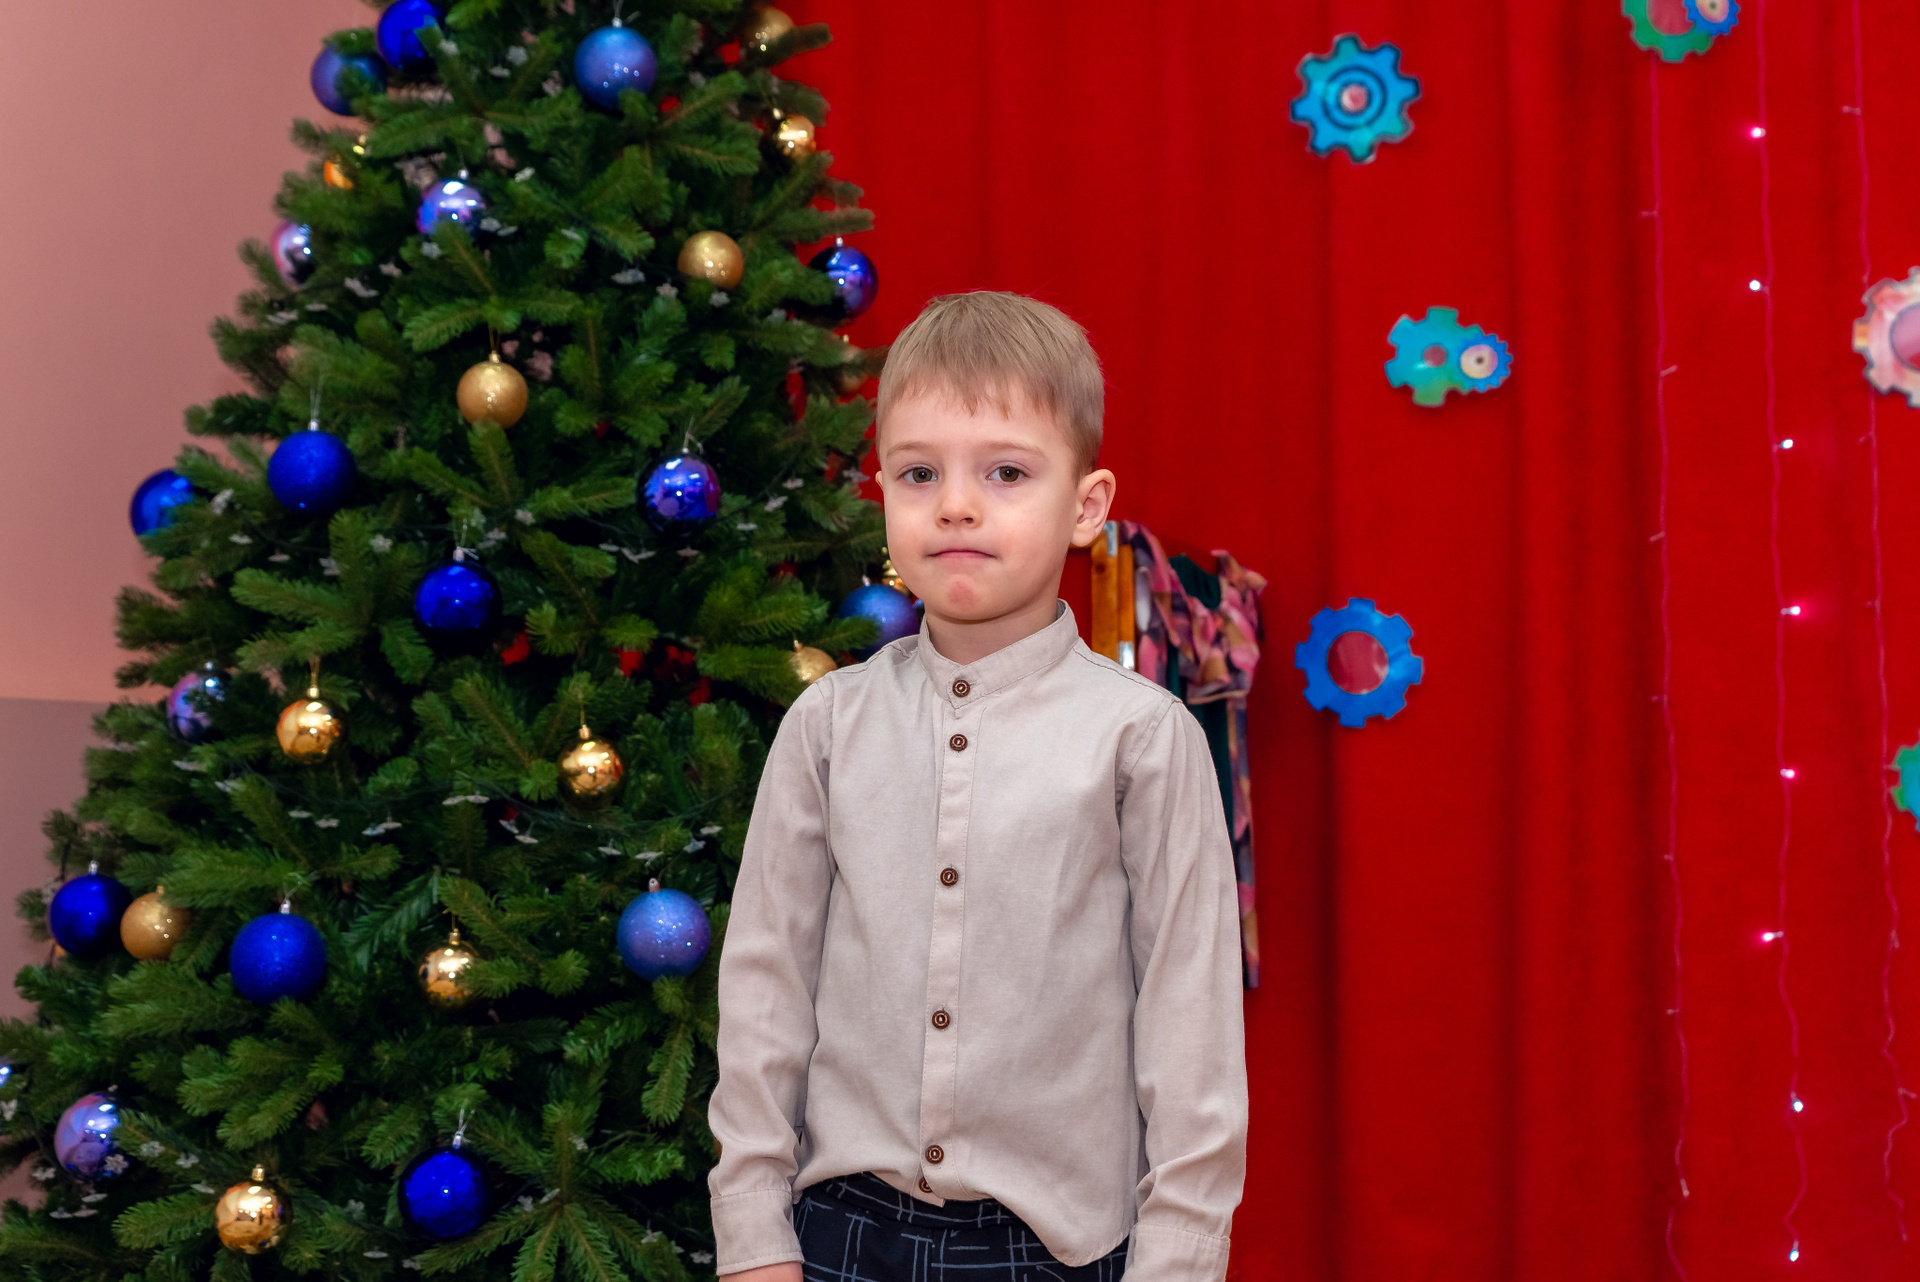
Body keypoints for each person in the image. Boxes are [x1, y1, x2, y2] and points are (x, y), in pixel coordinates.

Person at [708, 291, 1247, 1282]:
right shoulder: (826, 726)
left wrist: (1177, 1261)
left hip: (1059, 1248)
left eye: (1006, 472)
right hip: (839, 1236)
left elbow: (1191, 1025)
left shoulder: (1143, 740)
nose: (956, 504)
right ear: (882, 495)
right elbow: (765, 989)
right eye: (921, 473)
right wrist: (752, 1236)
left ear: (1085, 506)